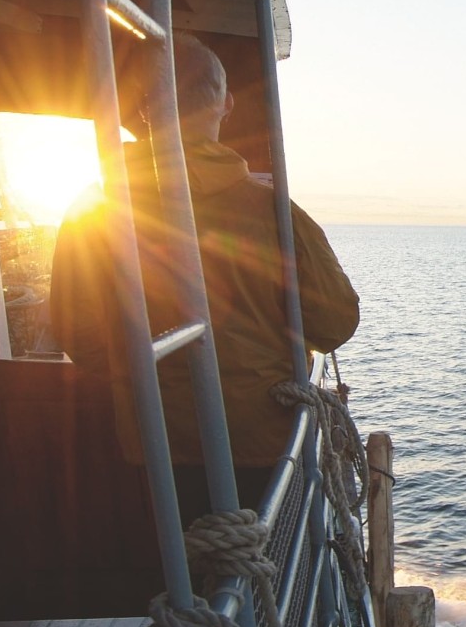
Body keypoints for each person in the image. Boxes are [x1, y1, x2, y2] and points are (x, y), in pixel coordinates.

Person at [51, 33, 358, 518]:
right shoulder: (274, 212)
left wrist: (150, 377)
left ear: (145, 109)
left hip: (154, 440)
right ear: (226, 104)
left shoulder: (94, 210)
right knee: (266, 568)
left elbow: (77, 333)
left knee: (183, 574)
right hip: (263, 441)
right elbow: (333, 323)